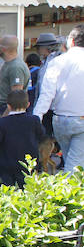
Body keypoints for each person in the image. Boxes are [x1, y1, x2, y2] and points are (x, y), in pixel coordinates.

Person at [33, 26, 84, 172]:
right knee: (74, 165)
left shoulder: (56, 62)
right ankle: (69, 193)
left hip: (60, 120)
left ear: (71, 41)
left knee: (71, 160)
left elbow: (46, 94)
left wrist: (37, 117)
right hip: (80, 119)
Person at [0, 90, 45, 188]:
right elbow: (42, 135)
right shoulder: (34, 120)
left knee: (8, 191)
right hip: (28, 163)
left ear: (8, 106)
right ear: (28, 104)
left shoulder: (2, 122)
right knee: (27, 189)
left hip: (6, 164)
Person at [0, 35, 28, 135]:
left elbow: (16, 97)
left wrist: (4, 118)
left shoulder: (16, 67)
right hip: (0, 110)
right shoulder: (9, 64)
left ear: (4, 49)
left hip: (5, 112)